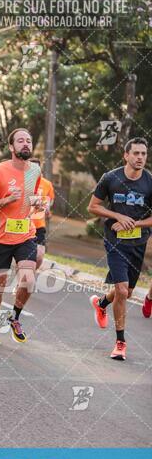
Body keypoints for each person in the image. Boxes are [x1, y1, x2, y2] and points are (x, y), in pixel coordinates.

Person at [88, 137, 152, 360]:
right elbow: (93, 206)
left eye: (143, 154)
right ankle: (120, 343)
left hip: (138, 242)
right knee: (123, 291)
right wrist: (117, 215)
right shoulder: (110, 178)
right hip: (115, 240)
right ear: (126, 155)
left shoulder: (150, 181)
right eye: (136, 153)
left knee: (127, 291)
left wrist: (134, 223)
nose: (140, 158)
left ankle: (101, 303)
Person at [0, 128, 41, 346]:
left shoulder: (35, 170)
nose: (25, 144)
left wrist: (38, 203)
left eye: (28, 140)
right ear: (11, 147)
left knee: (29, 281)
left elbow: (32, 197)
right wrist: (6, 200)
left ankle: (15, 317)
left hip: (25, 233)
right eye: (20, 141)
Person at [29, 158, 55, 269]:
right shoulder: (22, 181)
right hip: (23, 224)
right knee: (22, 258)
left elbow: (50, 201)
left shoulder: (47, 184)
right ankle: (23, 278)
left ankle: (29, 275)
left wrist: (47, 209)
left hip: (39, 225)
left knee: (39, 256)